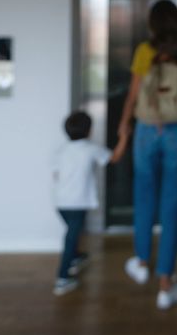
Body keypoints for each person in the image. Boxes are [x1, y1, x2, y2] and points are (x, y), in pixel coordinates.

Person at [116, 0, 177, 310]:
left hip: (146, 129)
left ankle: (141, 262)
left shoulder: (145, 51)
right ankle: (166, 284)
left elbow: (132, 94)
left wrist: (123, 127)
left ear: (153, 24)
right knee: (172, 205)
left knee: (144, 195)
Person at [51, 111, 125, 296]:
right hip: (78, 202)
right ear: (89, 130)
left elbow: (56, 175)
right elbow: (114, 158)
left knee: (73, 232)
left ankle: (75, 257)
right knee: (71, 237)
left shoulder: (61, 150)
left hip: (60, 202)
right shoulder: (91, 149)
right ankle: (62, 279)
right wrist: (124, 137)